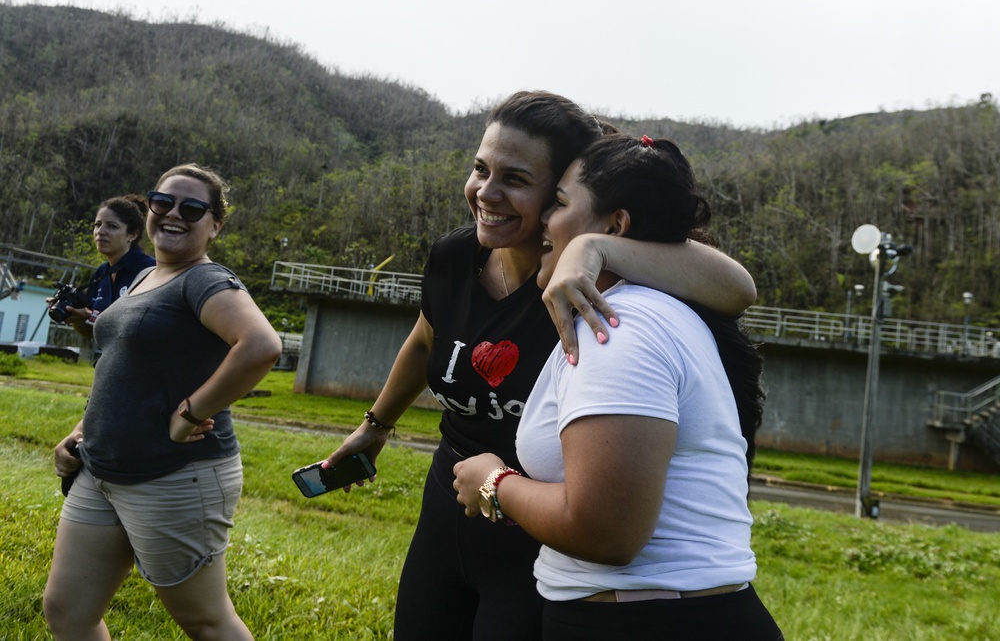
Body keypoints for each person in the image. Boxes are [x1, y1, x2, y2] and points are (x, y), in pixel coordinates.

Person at [322, 91, 758, 641]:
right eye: (481, 169)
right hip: (452, 495)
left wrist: (592, 250)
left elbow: (738, 287)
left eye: (517, 180)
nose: (487, 192)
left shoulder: (589, 291)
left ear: (561, 195)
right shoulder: (457, 256)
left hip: (535, 519)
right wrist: (375, 426)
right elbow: (424, 339)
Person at [453, 133, 783, 640]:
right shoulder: (655, 308)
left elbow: (606, 533)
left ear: (617, 225)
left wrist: (494, 483)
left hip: (646, 620)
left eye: (558, 204)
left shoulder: (617, 329)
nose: (542, 218)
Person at [43, 164, 283, 641]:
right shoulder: (145, 277)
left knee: (205, 620)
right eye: (163, 202)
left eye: (192, 208)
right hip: (100, 471)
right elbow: (122, 368)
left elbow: (260, 345)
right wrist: (80, 432)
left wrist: (192, 411)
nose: (174, 214)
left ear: (215, 224)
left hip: (174, 475)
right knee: (67, 611)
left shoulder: (203, 280)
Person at [48, 194, 155, 340]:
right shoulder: (101, 273)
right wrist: (74, 313)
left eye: (112, 226)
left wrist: (92, 315)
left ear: (133, 234)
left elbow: (142, 325)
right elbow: (91, 332)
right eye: (98, 225)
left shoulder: (149, 270)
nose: (100, 232)